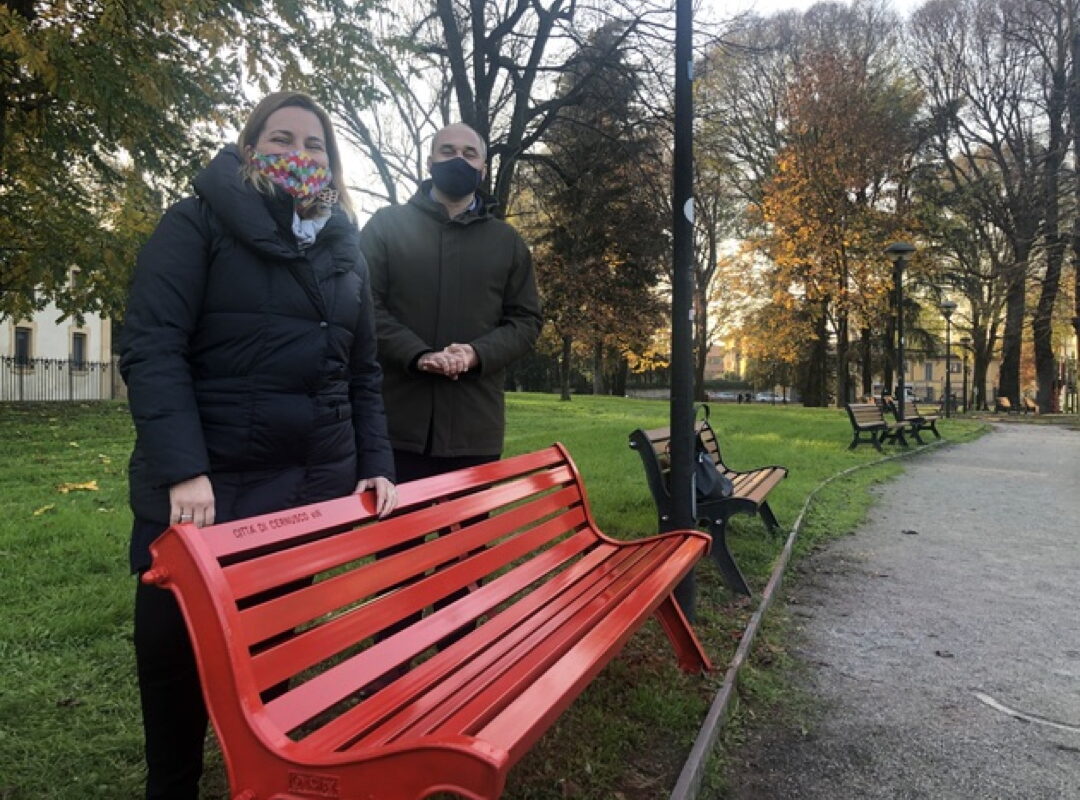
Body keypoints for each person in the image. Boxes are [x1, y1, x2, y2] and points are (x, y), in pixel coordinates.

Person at [119, 91, 396, 800]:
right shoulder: (196, 223)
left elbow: (361, 371)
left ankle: (259, 778)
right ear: (249, 149)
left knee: (270, 655)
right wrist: (184, 469)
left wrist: (376, 463)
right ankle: (173, 785)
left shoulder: (343, 246)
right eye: (281, 139)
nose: (297, 155)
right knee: (173, 657)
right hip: (199, 495)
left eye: (313, 145)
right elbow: (153, 346)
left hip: (300, 493)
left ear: (331, 163)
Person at [358, 122, 542, 484]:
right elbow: (363, 304)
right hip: (397, 425)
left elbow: (526, 320)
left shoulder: (507, 241)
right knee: (402, 541)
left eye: (469, 153)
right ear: (429, 162)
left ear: (483, 169)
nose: (458, 159)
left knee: (471, 541)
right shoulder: (385, 226)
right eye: (447, 151)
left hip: (474, 428)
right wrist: (417, 354)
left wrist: (476, 354)